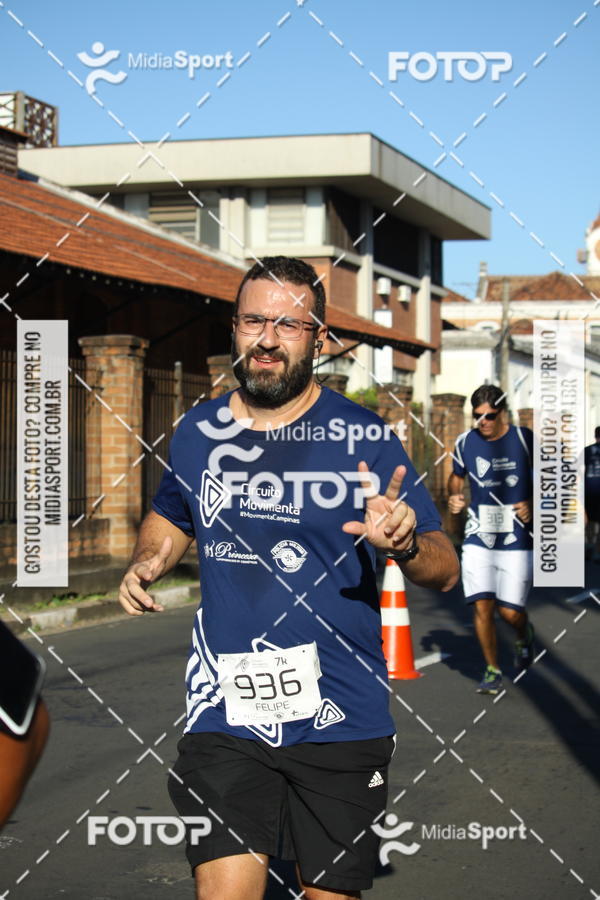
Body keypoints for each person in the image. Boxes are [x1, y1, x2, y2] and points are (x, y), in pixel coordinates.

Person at [119, 256, 459, 900]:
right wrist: (148, 559)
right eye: (254, 322)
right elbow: (171, 515)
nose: (267, 340)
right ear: (235, 329)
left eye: (288, 325)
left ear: (319, 340)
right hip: (225, 710)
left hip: (341, 713)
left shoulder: (364, 438)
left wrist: (409, 543)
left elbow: (444, 570)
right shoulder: (198, 431)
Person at [447, 384, 534, 695]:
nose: (482, 422)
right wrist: (455, 496)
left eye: (489, 416)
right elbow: (456, 477)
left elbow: (554, 479)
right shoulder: (465, 442)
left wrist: (534, 503)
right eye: (477, 416)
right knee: (482, 604)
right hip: (478, 536)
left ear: (502, 413)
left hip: (516, 539)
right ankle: (492, 669)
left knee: (509, 612)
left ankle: (524, 633)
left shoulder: (524, 439)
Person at [584, 426, 600, 561]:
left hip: (589, 489)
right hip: (594, 490)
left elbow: (576, 468)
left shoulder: (587, 450)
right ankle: (596, 550)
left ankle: (590, 545)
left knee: (590, 520)